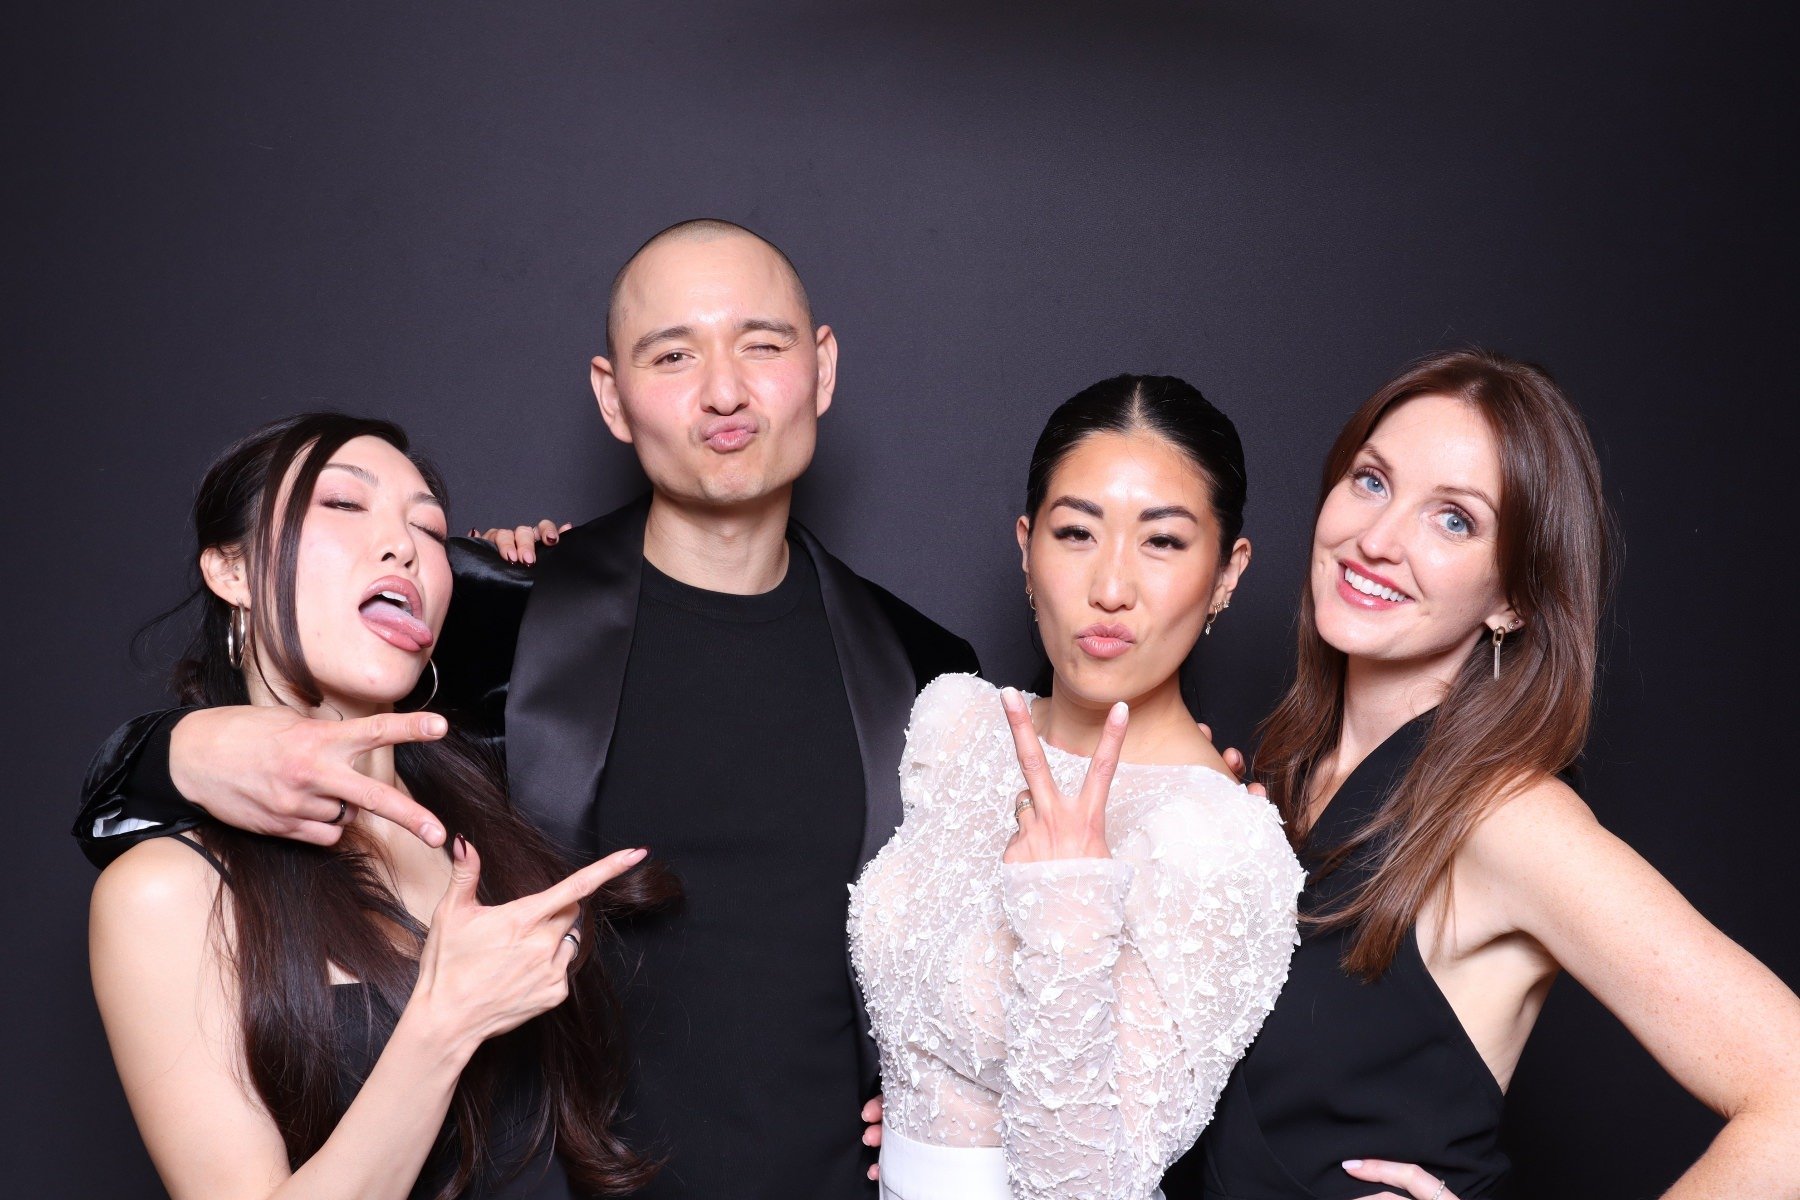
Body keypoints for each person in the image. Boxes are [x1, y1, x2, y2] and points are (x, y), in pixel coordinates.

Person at [75, 220, 978, 1198]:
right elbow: (231, 753)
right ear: (614, 396)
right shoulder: (493, 609)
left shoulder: (929, 672)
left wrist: (953, 1104)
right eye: (673, 354)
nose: (724, 389)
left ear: (821, 367)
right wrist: (193, 749)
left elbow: (976, 946)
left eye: (762, 344)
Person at [1191, 349, 1800, 1198]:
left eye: (1454, 520)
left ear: (1512, 596)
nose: (1377, 539)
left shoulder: (1505, 815)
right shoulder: (1288, 770)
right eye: (1372, 481)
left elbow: (1791, 1096)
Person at [88, 413, 669, 1200]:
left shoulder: (504, 805)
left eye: (429, 528)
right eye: (342, 506)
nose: (403, 545)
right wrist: (443, 1022)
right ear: (232, 570)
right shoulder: (165, 891)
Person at [849, 375, 1305, 1200]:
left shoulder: (1217, 842)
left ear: (1228, 572)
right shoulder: (958, 726)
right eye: (1075, 533)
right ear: (1026, 548)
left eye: (1163, 542)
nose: (1110, 587)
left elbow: (1087, 1188)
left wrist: (1069, 902)